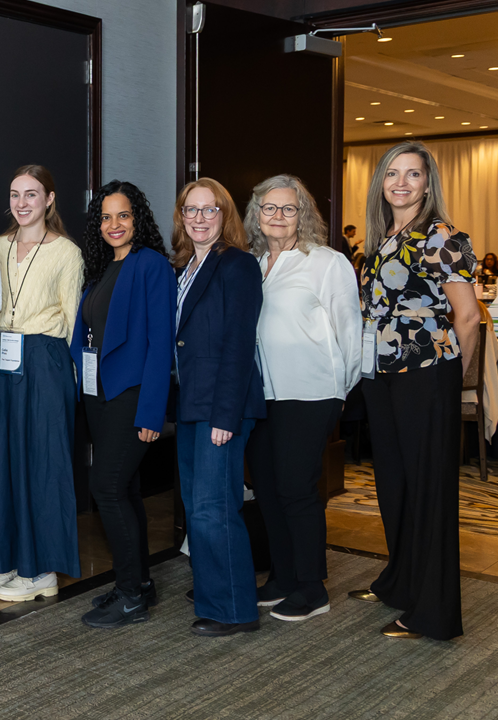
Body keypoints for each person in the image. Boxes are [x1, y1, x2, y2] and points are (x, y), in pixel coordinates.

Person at [350, 141, 477, 641]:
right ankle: (401, 581)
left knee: (428, 491)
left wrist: (452, 379)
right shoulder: (386, 237)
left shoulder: (441, 236)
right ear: (381, 183)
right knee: (395, 485)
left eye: (413, 175)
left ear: (429, 183)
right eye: (392, 174)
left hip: (426, 373)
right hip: (383, 375)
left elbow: (467, 317)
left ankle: (435, 614)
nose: (401, 183)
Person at [244, 175, 361, 623]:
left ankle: (312, 587)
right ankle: (284, 577)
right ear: (256, 214)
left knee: (297, 489)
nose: (277, 216)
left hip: (310, 393)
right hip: (262, 395)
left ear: (303, 215)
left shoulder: (326, 263)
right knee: (269, 491)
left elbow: (350, 331)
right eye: (269, 208)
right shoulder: (251, 264)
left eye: (287, 209)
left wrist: (341, 391)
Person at [72, 181, 175, 629]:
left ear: (138, 219)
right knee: (125, 490)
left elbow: (159, 345)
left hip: (133, 396)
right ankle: (138, 583)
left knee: (108, 489)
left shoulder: (151, 266)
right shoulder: (99, 270)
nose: (114, 225)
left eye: (123, 215)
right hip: (100, 396)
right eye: (106, 218)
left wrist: (153, 412)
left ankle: (132, 596)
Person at [0, 165, 84, 603]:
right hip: (0, 358)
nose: (22, 203)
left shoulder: (67, 253)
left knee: (42, 463)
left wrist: (76, 386)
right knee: (0, 462)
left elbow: (75, 322)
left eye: (32, 194)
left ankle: (40, 569)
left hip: (46, 361)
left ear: (50, 200)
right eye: (15, 194)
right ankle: (5, 558)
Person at [171, 177, 265, 638]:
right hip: (192, 404)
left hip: (220, 407)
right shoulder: (187, 265)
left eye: (209, 210)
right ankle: (213, 600)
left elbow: (238, 344)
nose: (199, 218)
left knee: (215, 508)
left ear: (225, 215)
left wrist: (226, 416)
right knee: (197, 508)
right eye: (191, 210)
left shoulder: (238, 265)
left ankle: (234, 610)